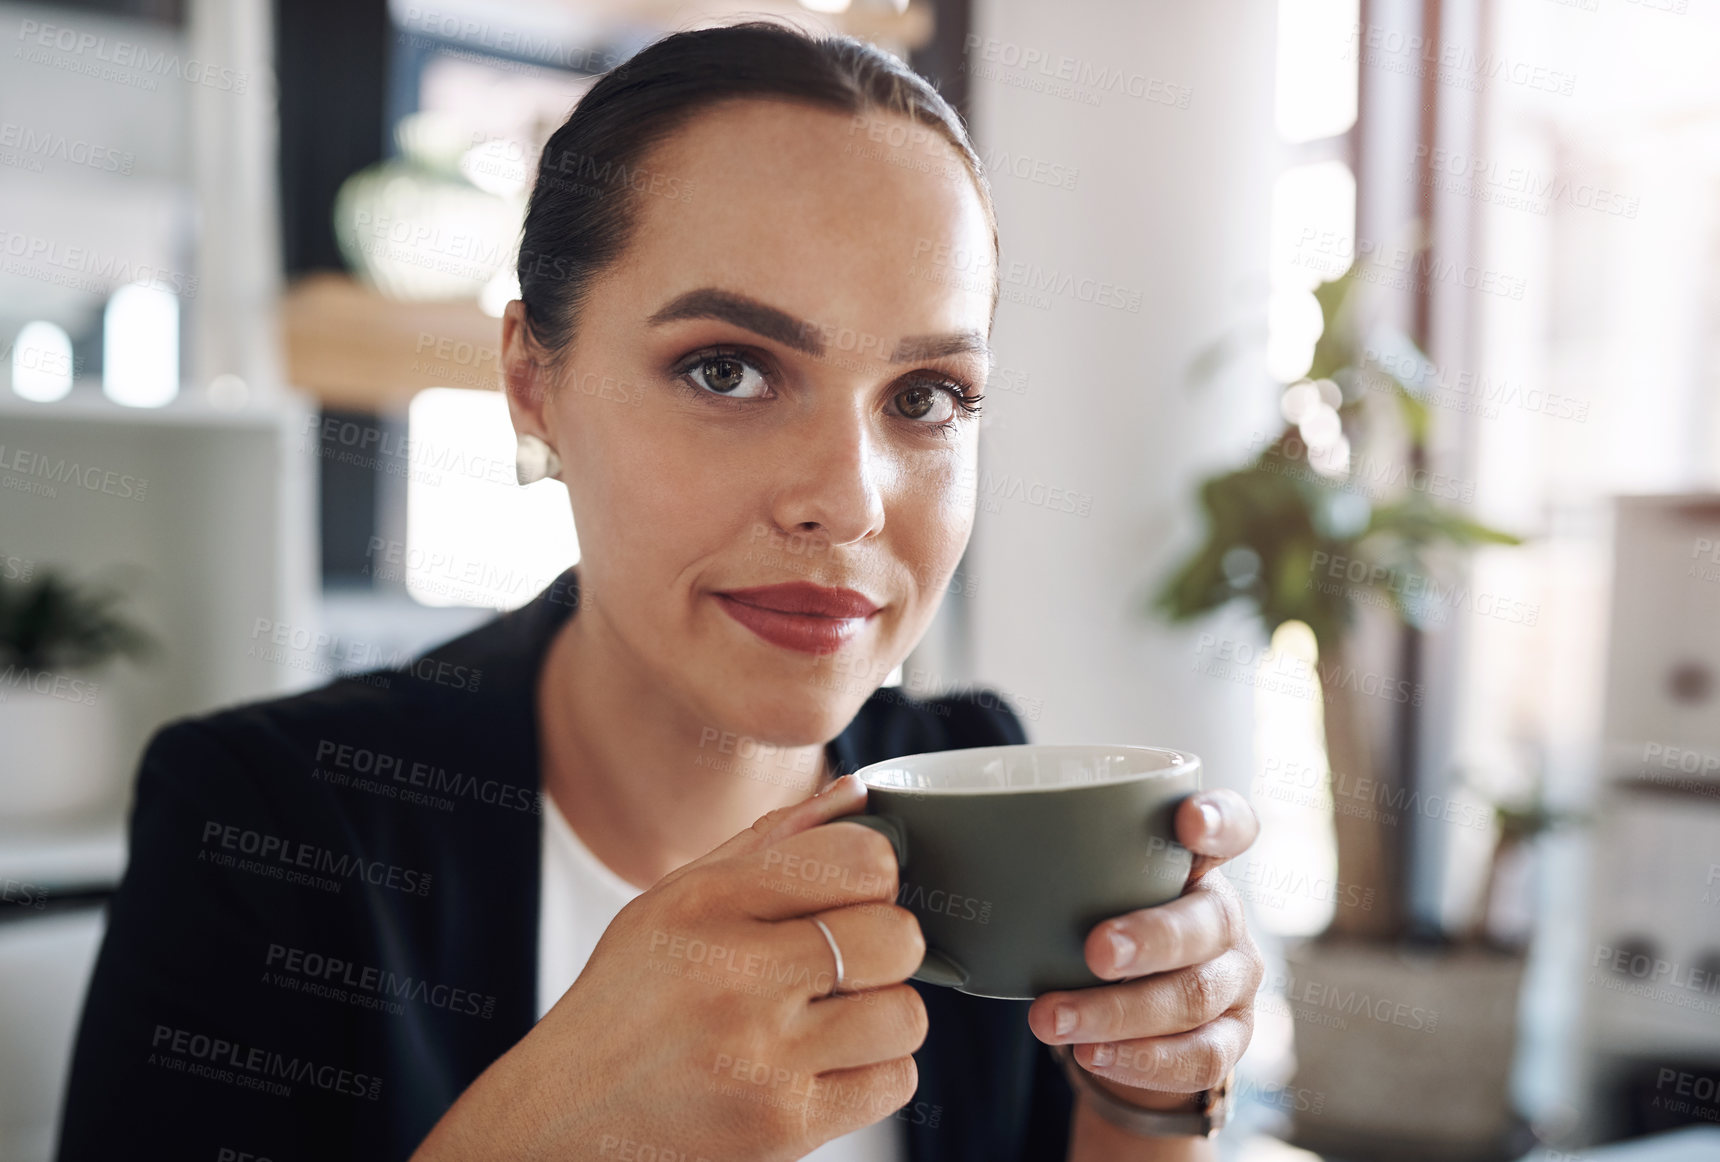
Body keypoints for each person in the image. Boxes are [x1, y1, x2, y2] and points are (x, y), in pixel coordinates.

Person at [57, 21, 1263, 1162]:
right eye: (726, 370)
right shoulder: (267, 830)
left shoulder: (980, 792)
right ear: (534, 384)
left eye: (926, 395)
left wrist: (1146, 1093)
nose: (845, 502)